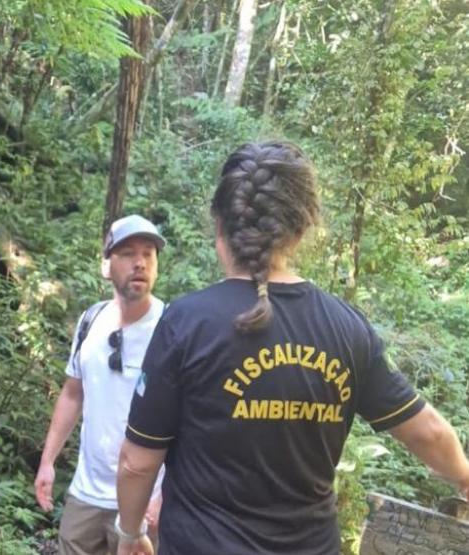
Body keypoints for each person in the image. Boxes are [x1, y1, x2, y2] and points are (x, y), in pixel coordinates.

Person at [114, 142, 469, 555]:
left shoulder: (186, 322)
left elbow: (137, 462)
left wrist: (129, 532)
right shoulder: (347, 328)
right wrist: (463, 474)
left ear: (219, 228)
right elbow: (425, 431)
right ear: (301, 231)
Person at [35, 215, 168, 555]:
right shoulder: (90, 320)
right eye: (126, 253)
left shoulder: (172, 329)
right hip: (86, 495)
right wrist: (48, 460)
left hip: (146, 500)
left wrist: (167, 491)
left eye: (148, 254)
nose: (139, 262)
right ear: (106, 266)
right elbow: (72, 393)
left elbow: (192, 419)